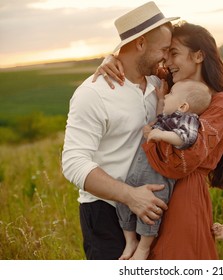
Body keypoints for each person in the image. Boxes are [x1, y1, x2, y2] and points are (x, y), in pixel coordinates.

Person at [94, 21, 223, 259]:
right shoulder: (169, 84)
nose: (167, 62)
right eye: (166, 53)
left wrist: (152, 138)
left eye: (174, 53)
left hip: (184, 197)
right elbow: (134, 63)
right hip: (153, 193)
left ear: (198, 56)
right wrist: (111, 60)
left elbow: (183, 160)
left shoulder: (219, 102)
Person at [61, 2, 179, 260]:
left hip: (151, 213)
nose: (166, 57)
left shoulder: (160, 84)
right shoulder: (93, 94)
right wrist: (130, 196)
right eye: (163, 49)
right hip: (106, 214)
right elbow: (73, 162)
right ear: (140, 43)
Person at [118, 79, 211, 260]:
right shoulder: (168, 117)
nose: (168, 95)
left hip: (158, 178)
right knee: (122, 201)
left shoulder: (189, 119)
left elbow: (186, 138)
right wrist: (161, 99)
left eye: (172, 94)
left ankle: (144, 247)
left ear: (183, 106)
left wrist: (161, 135)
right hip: (139, 170)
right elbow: (161, 113)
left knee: (152, 211)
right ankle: (130, 240)